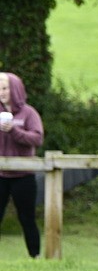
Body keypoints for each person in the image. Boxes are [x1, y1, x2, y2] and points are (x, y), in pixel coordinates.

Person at [0, 73, 45, 257]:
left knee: (27, 218)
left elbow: (37, 138)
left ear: (15, 89)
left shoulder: (29, 113)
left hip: (23, 176)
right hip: (1, 175)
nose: (1, 92)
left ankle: (35, 256)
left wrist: (14, 130)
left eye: (4, 88)